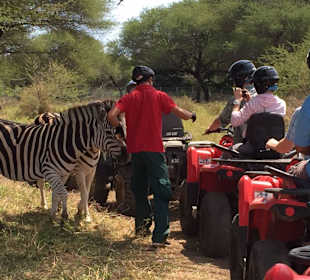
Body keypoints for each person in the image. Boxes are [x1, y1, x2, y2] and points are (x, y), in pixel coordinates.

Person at [108, 65, 196, 248]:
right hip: (154, 151)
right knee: (161, 191)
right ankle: (159, 237)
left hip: (135, 153)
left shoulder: (128, 97)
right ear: (150, 79)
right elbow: (180, 113)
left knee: (139, 190)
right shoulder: (159, 96)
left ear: (135, 81)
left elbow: (112, 115)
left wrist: (121, 132)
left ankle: (141, 228)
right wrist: (192, 115)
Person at [231, 65, 286, 155]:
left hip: (252, 148)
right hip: (274, 149)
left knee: (230, 150)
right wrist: (250, 100)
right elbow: (265, 116)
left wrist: (237, 101)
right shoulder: (282, 104)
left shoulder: (252, 104)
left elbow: (235, 121)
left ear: (257, 84)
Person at [204, 60, 256, 144]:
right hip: (268, 144)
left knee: (225, 153)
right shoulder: (263, 95)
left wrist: (209, 130)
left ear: (240, 79)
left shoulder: (238, 98)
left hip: (246, 146)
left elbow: (221, 120)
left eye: (234, 79)